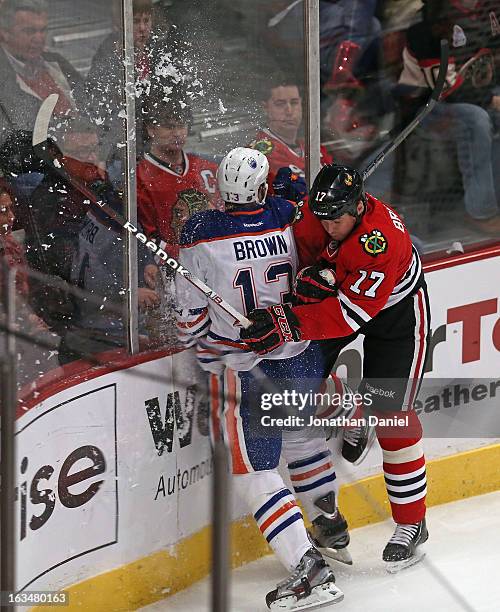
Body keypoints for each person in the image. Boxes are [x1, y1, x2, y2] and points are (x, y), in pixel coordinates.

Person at [175, 148, 353, 610]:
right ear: (259, 188)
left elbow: (189, 320)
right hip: (298, 352)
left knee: (252, 471)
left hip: (243, 366)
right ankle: (328, 521)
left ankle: (309, 569)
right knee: (300, 440)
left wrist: (201, 344)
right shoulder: (289, 215)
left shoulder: (199, 232)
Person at [241, 164, 431, 572]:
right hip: (342, 301)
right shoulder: (314, 213)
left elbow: (350, 315)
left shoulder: (382, 242)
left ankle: (412, 525)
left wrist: (288, 321)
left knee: (393, 418)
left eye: (338, 219)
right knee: (297, 383)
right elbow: (299, 258)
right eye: (322, 218)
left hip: (395, 315)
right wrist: (310, 280)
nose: (329, 226)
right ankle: (349, 406)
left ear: (360, 206)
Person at [398, 0, 500, 235]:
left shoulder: (490, 8)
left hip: (480, 95)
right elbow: (444, 91)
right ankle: (480, 211)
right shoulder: (434, 17)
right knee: (476, 120)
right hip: (427, 107)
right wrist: (492, 100)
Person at [137, 97, 218, 256]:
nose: (177, 133)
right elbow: (146, 240)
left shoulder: (207, 168)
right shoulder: (139, 179)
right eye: (169, 127)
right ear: (151, 130)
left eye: (181, 125)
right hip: (175, 269)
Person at [0, 0, 84, 145]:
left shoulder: (56, 62)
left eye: (43, 30)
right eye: (29, 31)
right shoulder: (3, 76)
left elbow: (92, 103)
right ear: (4, 33)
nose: (39, 38)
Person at [249, 75, 332, 192]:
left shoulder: (314, 148)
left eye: (294, 103)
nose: (289, 111)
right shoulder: (259, 155)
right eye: (280, 104)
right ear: (265, 108)